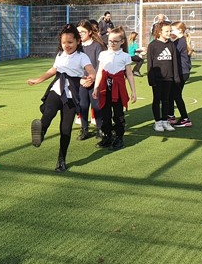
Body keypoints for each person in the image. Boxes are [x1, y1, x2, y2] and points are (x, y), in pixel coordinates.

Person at [27, 24, 96, 172]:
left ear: (78, 41)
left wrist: (91, 77)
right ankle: (40, 133)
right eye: (64, 42)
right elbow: (53, 70)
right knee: (49, 111)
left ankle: (61, 159)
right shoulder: (60, 55)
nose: (67, 45)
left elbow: (91, 70)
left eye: (70, 42)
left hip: (72, 94)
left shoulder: (81, 56)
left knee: (65, 129)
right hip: (57, 88)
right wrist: (38, 80)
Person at [93, 27, 137, 150]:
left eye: (115, 41)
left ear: (122, 41)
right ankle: (107, 136)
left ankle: (119, 137)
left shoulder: (125, 56)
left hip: (118, 88)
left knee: (118, 114)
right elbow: (100, 72)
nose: (112, 43)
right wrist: (96, 87)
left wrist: (133, 91)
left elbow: (129, 74)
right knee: (105, 113)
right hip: (105, 87)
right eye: (110, 40)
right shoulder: (103, 54)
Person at [146, 21, 179, 132]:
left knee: (166, 100)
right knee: (157, 100)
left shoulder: (171, 45)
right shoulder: (152, 45)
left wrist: (176, 77)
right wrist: (151, 79)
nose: (169, 33)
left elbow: (174, 62)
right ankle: (158, 122)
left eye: (170, 31)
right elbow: (150, 64)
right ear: (159, 31)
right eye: (166, 31)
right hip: (157, 79)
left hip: (168, 78)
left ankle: (165, 121)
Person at [76, 20, 106, 140]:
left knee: (96, 105)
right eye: (78, 32)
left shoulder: (97, 46)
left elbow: (100, 64)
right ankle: (84, 129)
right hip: (81, 82)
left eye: (82, 32)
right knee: (82, 105)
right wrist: (80, 79)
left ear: (89, 32)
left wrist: (93, 79)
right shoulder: (77, 47)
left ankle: (100, 129)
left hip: (95, 81)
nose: (80, 34)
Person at [170, 22, 193, 128]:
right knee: (173, 94)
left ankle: (185, 118)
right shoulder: (180, 41)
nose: (170, 32)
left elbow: (171, 54)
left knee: (176, 95)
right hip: (183, 72)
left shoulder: (180, 42)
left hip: (181, 72)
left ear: (180, 30)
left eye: (172, 30)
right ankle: (171, 116)